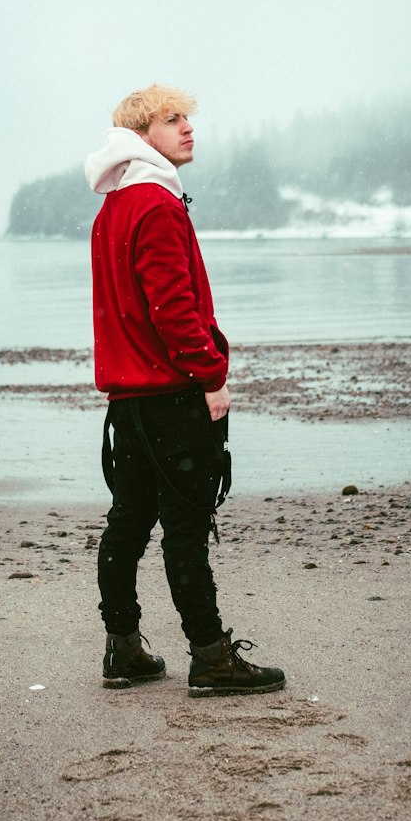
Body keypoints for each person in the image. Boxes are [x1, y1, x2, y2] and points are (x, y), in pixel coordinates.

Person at [84, 82, 285, 697]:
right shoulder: (157, 206)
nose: (187, 129)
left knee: (128, 524)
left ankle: (122, 649)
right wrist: (211, 377)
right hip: (172, 397)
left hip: (129, 401)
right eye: (173, 121)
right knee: (186, 529)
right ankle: (210, 655)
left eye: (186, 119)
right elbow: (174, 311)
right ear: (141, 136)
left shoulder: (112, 208)